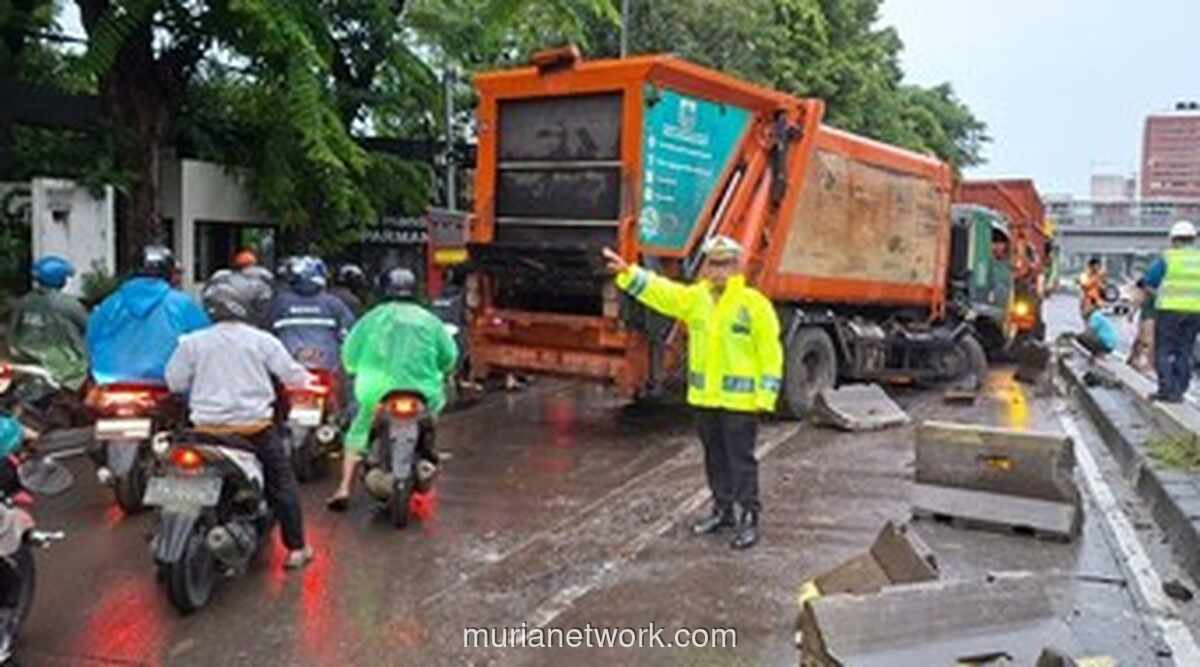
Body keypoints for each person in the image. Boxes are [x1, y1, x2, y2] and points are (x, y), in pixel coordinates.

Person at [602, 235, 783, 550]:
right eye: (713, 263)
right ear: (705, 266)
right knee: (715, 458)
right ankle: (722, 511)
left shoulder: (754, 305)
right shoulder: (696, 299)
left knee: (740, 461)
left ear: (737, 266)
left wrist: (765, 398)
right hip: (705, 399)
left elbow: (770, 353)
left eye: (725, 263)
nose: (719, 270)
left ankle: (749, 518)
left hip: (740, 402)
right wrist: (628, 273)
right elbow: (663, 293)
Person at [165, 278, 315, 570]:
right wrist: (308, 383)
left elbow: (175, 382)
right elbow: (292, 375)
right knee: (282, 484)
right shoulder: (262, 341)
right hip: (252, 432)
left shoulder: (192, 342)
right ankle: (297, 548)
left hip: (204, 433)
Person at [327, 267, 457, 511]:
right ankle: (427, 456)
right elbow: (449, 357)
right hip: (422, 392)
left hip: (376, 392)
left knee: (358, 432)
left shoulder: (370, 318)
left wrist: (356, 369)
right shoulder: (429, 319)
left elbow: (349, 357)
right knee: (429, 422)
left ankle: (344, 487)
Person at [86, 246, 210, 385]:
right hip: (164, 385)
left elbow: (91, 340)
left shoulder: (110, 304)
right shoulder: (182, 304)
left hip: (109, 384)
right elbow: (205, 342)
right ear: (169, 273)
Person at [6, 256, 90, 391]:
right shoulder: (69, 304)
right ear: (60, 280)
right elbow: (89, 328)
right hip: (67, 369)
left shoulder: (24, 302)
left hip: (27, 361)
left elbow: (12, 334)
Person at [1140, 220, 1200, 403]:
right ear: (1193, 239)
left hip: (1169, 310)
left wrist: (1158, 295)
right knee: (1186, 350)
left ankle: (1166, 390)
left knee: (1164, 350)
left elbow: (1147, 282)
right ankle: (1179, 391)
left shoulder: (1168, 258)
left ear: (1173, 240)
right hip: (1195, 312)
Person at [266, 256, 356, 373]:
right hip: (326, 369)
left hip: (288, 371)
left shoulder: (280, 303)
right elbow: (350, 334)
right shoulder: (334, 304)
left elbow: (265, 332)